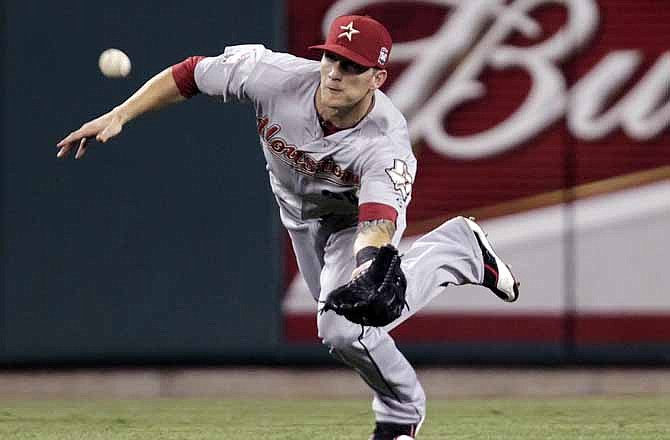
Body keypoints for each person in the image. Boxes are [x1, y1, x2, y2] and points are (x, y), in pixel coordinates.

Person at [57, 15, 519, 440]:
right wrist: (120, 114)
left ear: (377, 79)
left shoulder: (386, 144)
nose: (335, 72)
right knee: (342, 331)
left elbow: (377, 223)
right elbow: (191, 74)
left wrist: (368, 264)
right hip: (297, 216)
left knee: (348, 321)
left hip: (350, 221)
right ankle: (460, 254)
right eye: (331, 57)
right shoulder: (273, 76)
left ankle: (405, 399)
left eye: (352, 66)